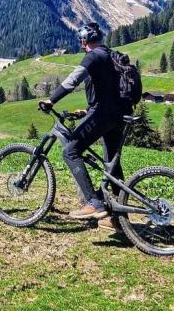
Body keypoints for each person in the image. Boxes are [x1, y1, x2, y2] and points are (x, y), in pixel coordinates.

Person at [40, 22, 125, 229]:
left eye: (81, 41)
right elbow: (108, 92)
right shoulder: (110, 55)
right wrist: (86, 111)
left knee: (70, 151)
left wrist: (52, 100)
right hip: (117, 116)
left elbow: (72, 80)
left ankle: (94, 203)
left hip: (103, 115)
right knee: (111, 166)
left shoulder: (93, 56)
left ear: (84, 40)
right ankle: (119, 218)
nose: (81, 44)